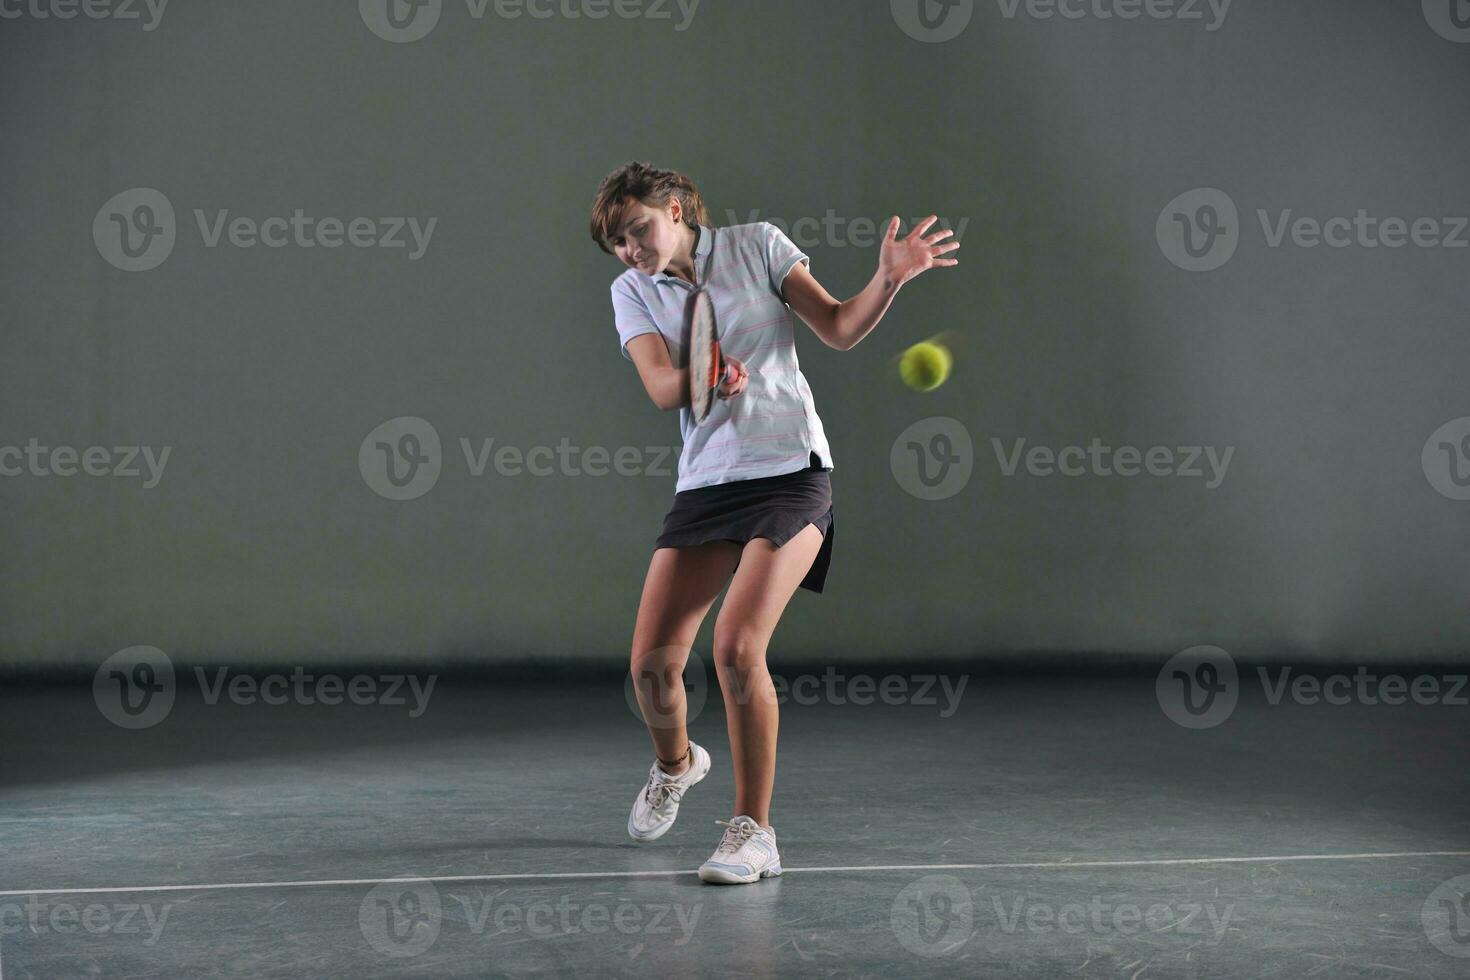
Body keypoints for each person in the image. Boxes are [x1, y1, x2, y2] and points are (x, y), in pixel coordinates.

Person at [588, 160, 958, 884]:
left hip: (791, 473)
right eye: (619, 245)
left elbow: (840, 327)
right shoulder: (631, 290)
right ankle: (677, 763)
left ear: (674, 207)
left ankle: (753, 831)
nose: (633, 251)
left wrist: (889, 278)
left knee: (735, 648)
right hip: (708, 484)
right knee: (652, 668)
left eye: (639, 231)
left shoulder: (758, 244)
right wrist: (706, 375)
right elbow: (665, 386)